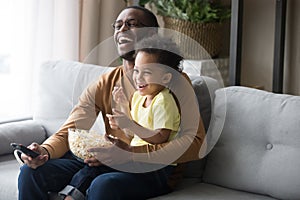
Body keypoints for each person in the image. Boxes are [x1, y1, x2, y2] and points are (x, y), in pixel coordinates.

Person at [17, 5, 206, 200]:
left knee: (103, 185)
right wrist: (44, 151)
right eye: (117, 25)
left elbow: (195, 143)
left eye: (131, 24)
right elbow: (71, 128)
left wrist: (131, 154)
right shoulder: (107, 81)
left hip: (150, 170)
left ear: (151, 34)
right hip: (106, 162)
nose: (121, 30)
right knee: (31, 173)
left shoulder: (175, 81)